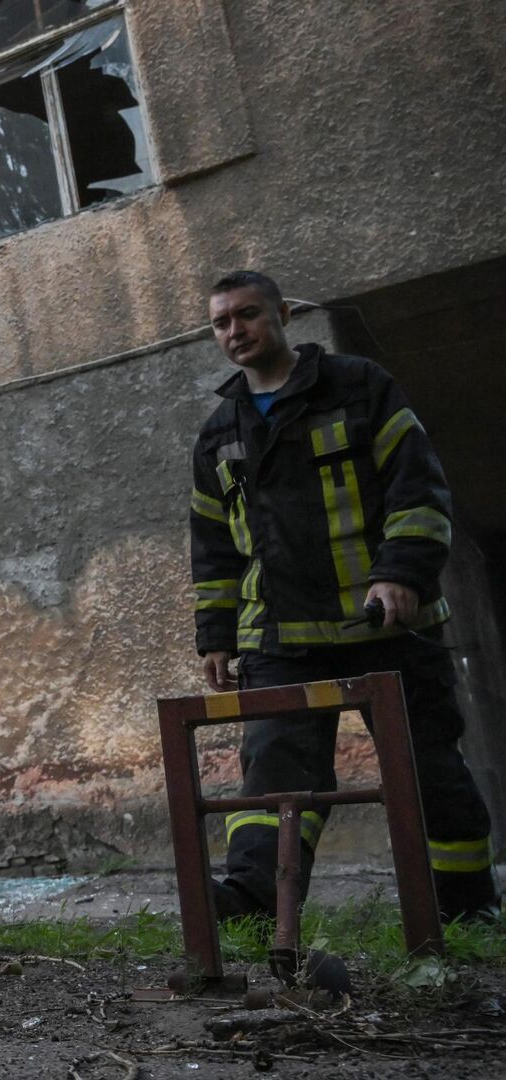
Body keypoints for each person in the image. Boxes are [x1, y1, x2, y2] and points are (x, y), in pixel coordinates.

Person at [190, 270, 499, 922]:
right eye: (221, 322)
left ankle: (467, 910)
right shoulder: (220, 433)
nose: (235, 331)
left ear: (284, 313)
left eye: (247, 314)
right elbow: (215, 548)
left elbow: (418, 489)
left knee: (428, 771)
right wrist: (216, 636)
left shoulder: (360, 388)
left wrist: (403, 575)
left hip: (385, 626)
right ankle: (254, 904)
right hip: (280, 641)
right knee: (275, 779)